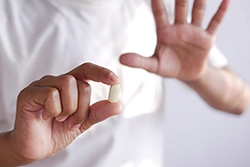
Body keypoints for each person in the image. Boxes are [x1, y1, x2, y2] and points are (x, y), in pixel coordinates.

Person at [0, 0, 249, 166]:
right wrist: (15, 149)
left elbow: (240, 101)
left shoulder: (158, 8)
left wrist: (200, 73)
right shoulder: (8, 15)